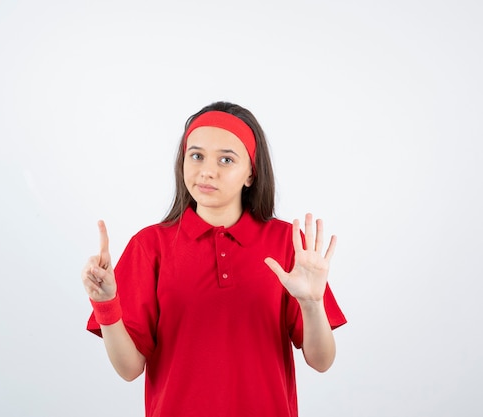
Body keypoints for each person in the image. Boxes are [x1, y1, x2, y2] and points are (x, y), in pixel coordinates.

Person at [81, 101, 347, 417]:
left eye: (226, 159)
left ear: (251, 173)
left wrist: (313, 304)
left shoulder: (286, 243)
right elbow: (128, 369)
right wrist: (107, 304)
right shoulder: (150, 245)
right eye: (196, 156)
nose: (207, 170)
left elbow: (322, 361)